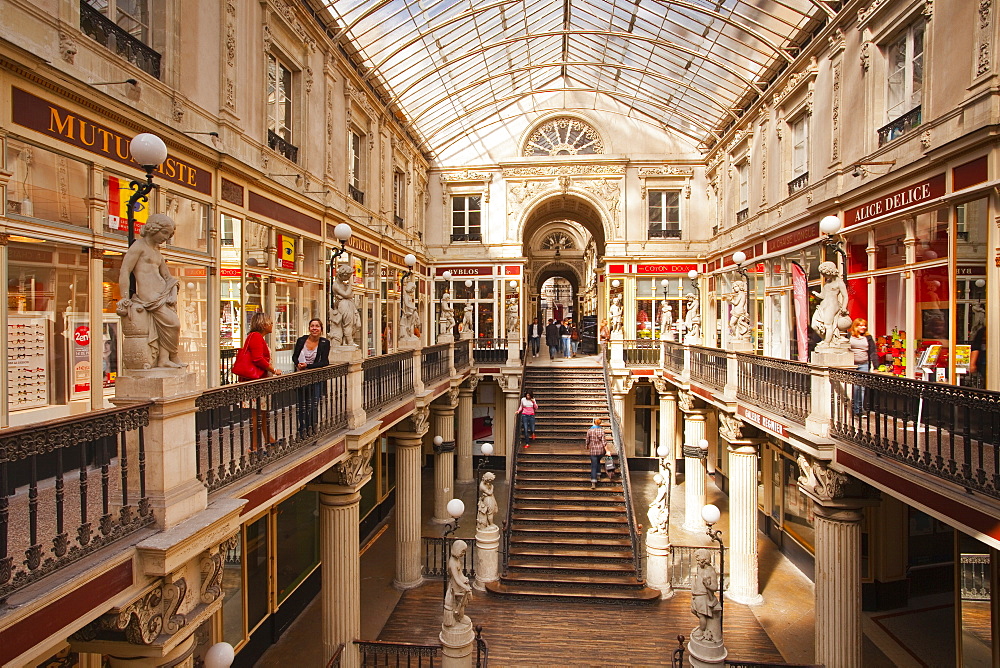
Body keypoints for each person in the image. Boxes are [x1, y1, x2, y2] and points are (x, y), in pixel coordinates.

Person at [115, 214, 185, 369]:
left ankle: (164, 359)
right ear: (153, 228)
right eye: (164, 233)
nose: (165, 238)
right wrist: (124, 297)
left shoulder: (157, 253)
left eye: (169, 235)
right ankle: (171, 356)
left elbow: (168, 278)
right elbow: (125, 271)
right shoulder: (139, 247)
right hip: (149, 296)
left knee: (170, 326)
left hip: (162, 295)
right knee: (173, 324)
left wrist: (172, 293)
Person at [241, 312, 282, 450]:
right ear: (263, 324)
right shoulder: (256, 337)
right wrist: (273, 369)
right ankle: (254, 447)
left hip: (261, 381)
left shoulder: (257, 337)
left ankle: (268, 439)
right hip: (256, 382)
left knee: (262, 412)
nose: (272, 325)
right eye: (270, 322)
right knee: (256, 414)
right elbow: (257, 359)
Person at [292, 318, 330, 436]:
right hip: (301, 377)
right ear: (309, 328)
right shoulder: (301, 341)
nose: (314, 328)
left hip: (315, 378)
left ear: (321, 329)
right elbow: (294, 356)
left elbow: (324, 362)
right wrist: (297, 363)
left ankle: (312, 427)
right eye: (312, 326)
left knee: (313, 404)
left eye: (317, 326)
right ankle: (302, 427)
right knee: (301, 404)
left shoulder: (324, 343)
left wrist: (308, 366)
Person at [811, 261, 850, 349]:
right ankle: (825, 339)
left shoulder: (839, 282)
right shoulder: (827, 282)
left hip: (832, 305)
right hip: (823, 305)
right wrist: (815, 294)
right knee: (814, 325)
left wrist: (844, 307)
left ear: (830, 272)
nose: (824, 276)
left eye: (825, 274)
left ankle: (827, 343)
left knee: (828, 324)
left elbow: (845, 296)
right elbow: (823, 295)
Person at [848, 318, 879, 416]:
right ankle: (852, 407)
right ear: (855, 326)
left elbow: (873, 352)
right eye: (860, 325)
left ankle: (859, 410)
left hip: (864, 364)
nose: (863, 327)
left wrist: (875, 366)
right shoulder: (849, 336)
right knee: (855, 387)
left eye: (864, 325)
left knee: (861, 388)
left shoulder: (868, 337)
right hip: (852, 365)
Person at [691, 548, 722, 643]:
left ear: (704, 559)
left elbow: (715, 587)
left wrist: (707, 585)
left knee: (701, 615)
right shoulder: (700, 568)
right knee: (693, 610)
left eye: (698, 560)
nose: (697, 562)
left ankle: (702, 630)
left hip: (703, 596)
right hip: (697, 594)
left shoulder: (710, 571)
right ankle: (703, 626)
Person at [443, 540, 473, 627]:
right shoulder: (452, 562)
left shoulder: (456, 560)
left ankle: (460, 616)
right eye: (462, 551)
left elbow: (460, 574)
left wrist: (464, 578)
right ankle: (460, 617)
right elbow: (455, 578)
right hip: (456, 586)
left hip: (460, 584)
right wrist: (464, 586)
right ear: (457, 549)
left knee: (463, 602)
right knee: (460, 602)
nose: (463, 553)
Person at [330, 263, 360, 346]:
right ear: (343, 275)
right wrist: (351, 285)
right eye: (347, 277)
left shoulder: (343, 284)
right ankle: (349, 342)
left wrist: (347, 293)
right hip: (343, 305)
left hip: (348, 304)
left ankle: (345, 341)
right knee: (348, 323)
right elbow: (347, 294)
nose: (348, 279)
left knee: (355, 324)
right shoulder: (335, 285)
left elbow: (349, 295)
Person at [585, 417, 607, 489]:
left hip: (593, 450)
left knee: (593, 465)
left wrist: (587, 446)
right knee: (598, 462)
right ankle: (598, 475)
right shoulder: (601, 431)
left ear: (594, 422)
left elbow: (587, 440)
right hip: (600, 450)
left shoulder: (589, 431)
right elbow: (604, 442)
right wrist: (607, 450)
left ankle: (593, 482)